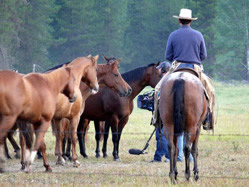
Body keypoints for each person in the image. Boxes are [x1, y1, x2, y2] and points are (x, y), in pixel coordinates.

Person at [151, 8, 215, 130]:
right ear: (190, 21)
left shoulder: (173, 35)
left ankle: (158, 119)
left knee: (158, 90)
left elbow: (168, 56)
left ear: (179, 21)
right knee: (210, 91)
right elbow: (204, 56)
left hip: (177, 67)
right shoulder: (198, 35)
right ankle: (207, 119)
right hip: (194, 68)